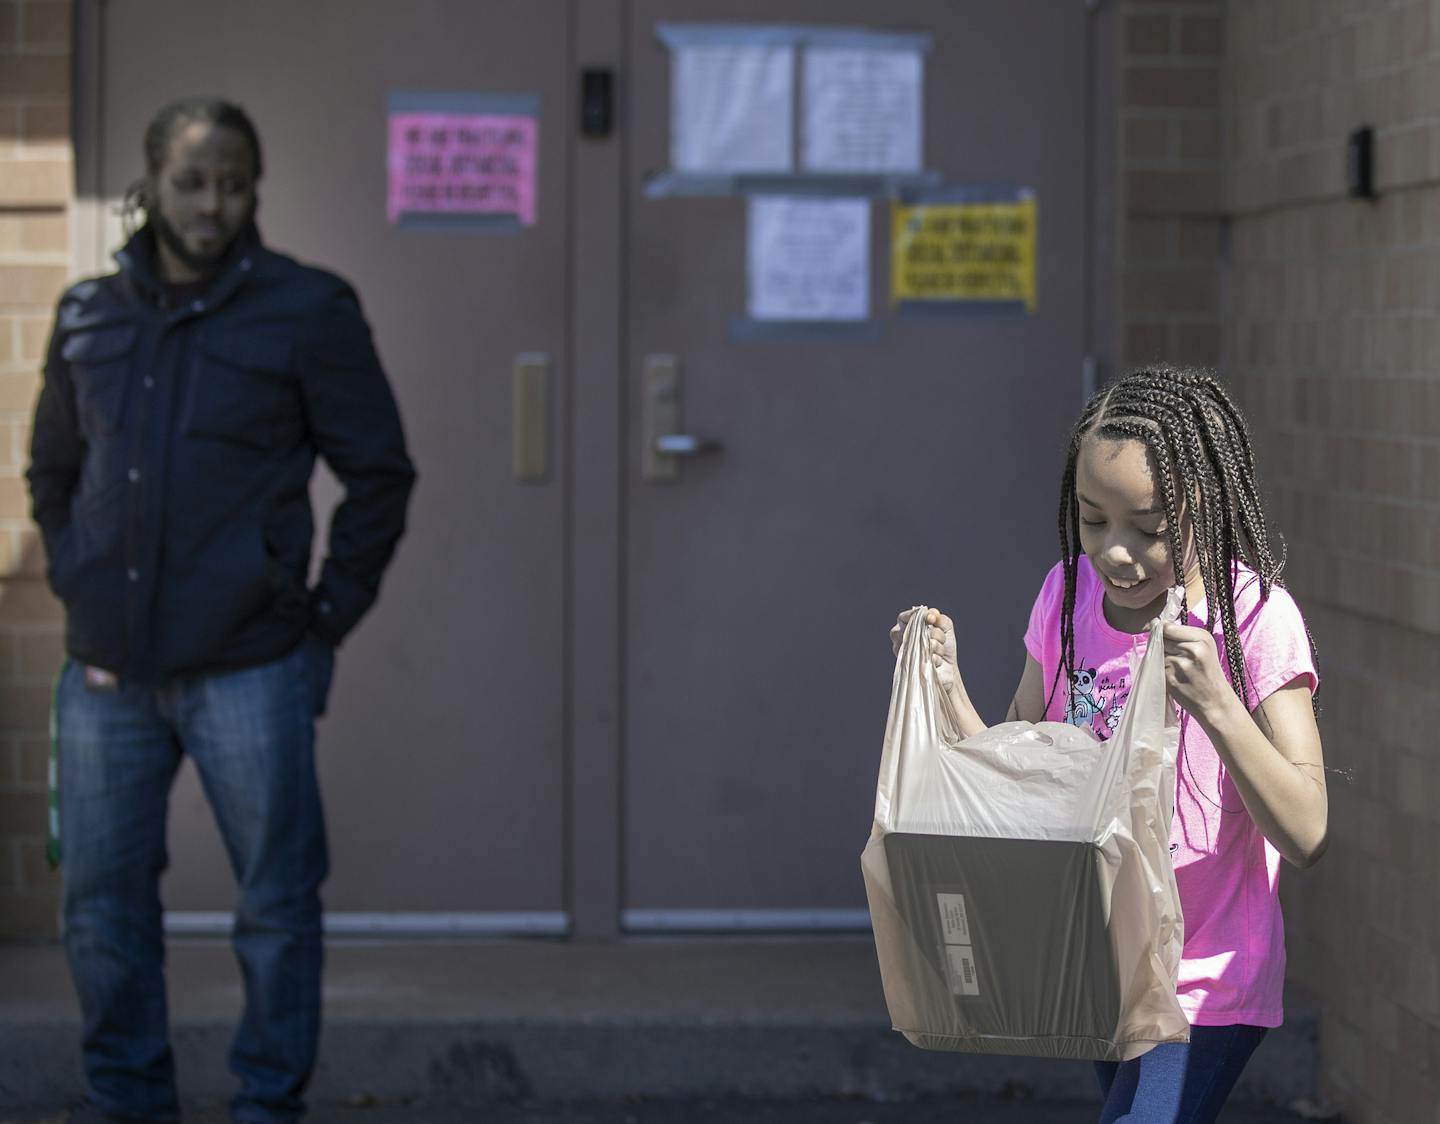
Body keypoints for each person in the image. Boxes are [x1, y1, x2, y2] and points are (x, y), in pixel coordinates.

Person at [27, 96, 417, 1124]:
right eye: (192, 181)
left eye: (234, 182)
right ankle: (129, 1100)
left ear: (257, 188)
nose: (212, 203)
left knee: (276, 906)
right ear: (150, 182)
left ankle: (266, 1103)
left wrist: (324, 614)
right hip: (107, 676)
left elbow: (380, 474)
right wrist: (78, 577)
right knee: (101, 912)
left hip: (254, 665)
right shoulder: (87, 315)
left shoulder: (309, 310)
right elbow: (51, 473)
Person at [891, 366, 1327, 1124]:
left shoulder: (1257, 618)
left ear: (1210, 510)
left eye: (1151, 530)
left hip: (1203, 982)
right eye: (1094, 521)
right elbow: (1015, 777)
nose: (1117, 554)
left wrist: (1219, 705)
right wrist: (944, 684)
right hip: (1096, 966)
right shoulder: (1067, 595)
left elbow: (1308, 830)